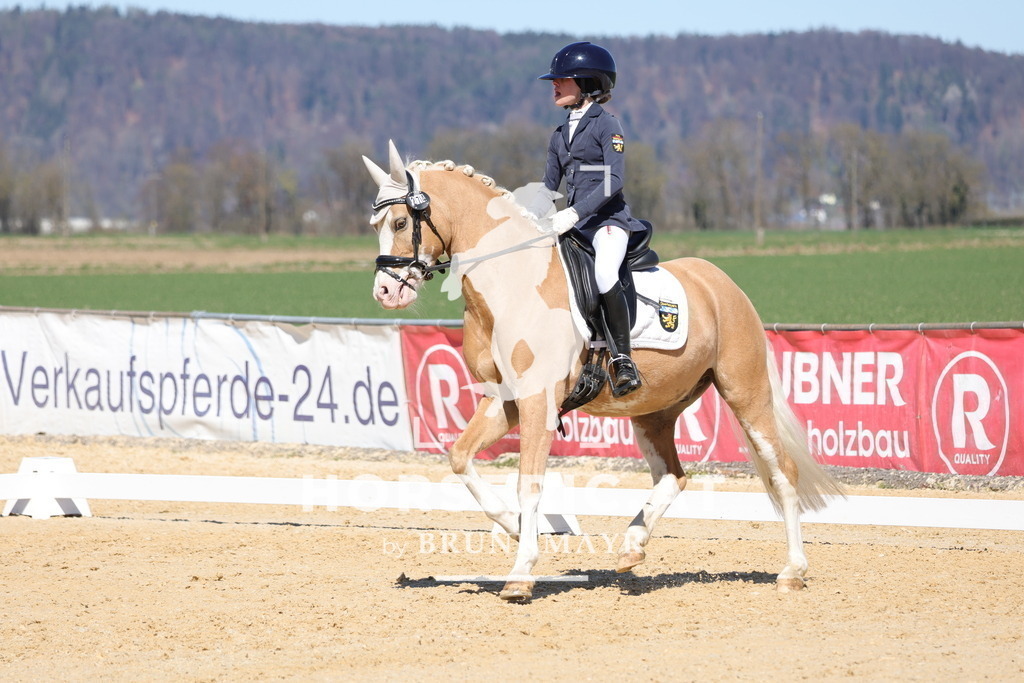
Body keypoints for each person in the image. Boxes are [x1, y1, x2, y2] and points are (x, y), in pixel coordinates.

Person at [537, 41, 646, 398]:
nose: (554, 84)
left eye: (562, 80)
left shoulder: (607, 125)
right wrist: (526, 215)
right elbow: (548, 187)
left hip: (607, 222)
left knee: (603, 274)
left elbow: (614, 181)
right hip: (571, 226)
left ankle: (622, 359)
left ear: (586, 84)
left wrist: (574, 212)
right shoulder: (558, 135)